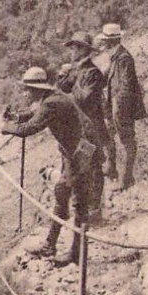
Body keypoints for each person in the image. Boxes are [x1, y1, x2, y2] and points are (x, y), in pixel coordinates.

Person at [0, 66, 95, 265]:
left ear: (38, 89)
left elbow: (29, 128)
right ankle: (51, 245)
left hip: (80, 157)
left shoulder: (52, 103)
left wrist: (5, 127)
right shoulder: (53, 98)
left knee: (77, 205)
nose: (26, 93)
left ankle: (75, 253)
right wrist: (15, 117)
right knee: (62, 195)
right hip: (75, 154)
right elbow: (34, 115)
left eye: (28, 89)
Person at [57, 31, 111, 223]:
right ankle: (81, 211)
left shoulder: (93, 73)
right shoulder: (78, 70)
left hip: (92, 130)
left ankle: (94, 210)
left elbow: (85, 100)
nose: (72, 51)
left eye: (76, 48)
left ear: (85, 50)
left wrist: (73, 85)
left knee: (93, 168)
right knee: (77, 168)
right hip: (78, 130)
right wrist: (63, 75)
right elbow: (62, 89)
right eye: (72, 48)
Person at [99, 23, 147, 190]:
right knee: (108, 135)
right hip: (114, 105)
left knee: (127, 140)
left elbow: (126, 86)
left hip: (122, 107)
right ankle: (111, 169)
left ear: (111, 42)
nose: (103, 45)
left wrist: (118, 108)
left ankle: (126, 179)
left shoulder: (124, 58)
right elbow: (105, 77)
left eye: (105, 42)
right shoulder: (115, 57)